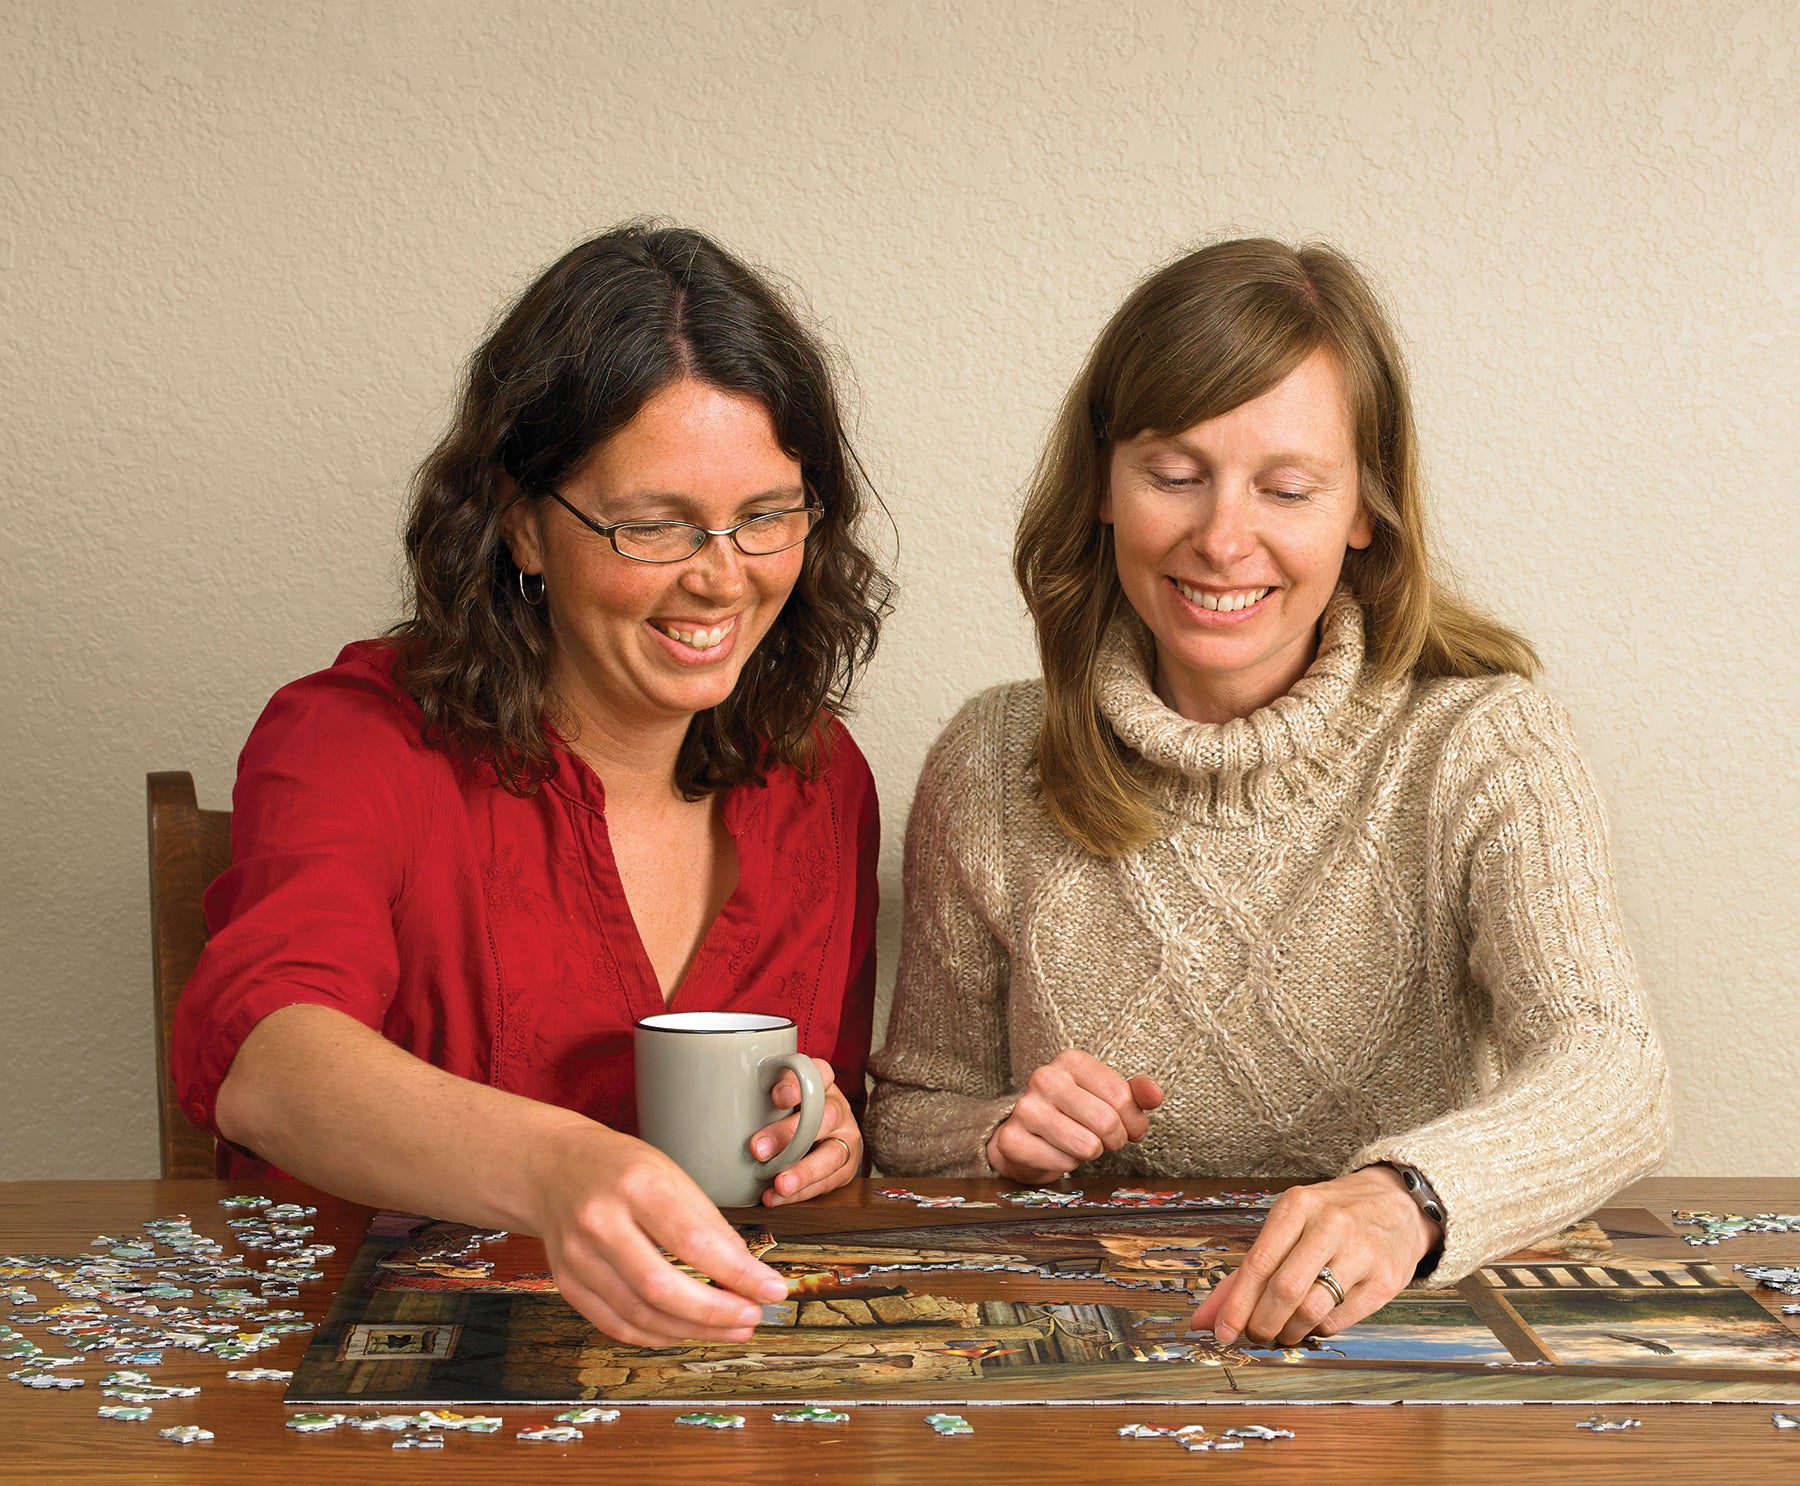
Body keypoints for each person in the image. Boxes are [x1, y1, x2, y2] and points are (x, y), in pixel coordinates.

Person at [867, 237, 1670, 1348]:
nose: (1222, 539)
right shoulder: (992, 759)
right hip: (1095, 1353)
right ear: (1103, 484)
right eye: (1174, 476)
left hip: (1392, 1345)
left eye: (1286, 488)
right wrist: (999, 1132)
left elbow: (1613, 1067)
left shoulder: (1484, 742)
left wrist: (1407, 1199)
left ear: (1364, 510)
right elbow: (910, 1112)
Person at [173, 224, 890, 1348]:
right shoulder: (350, 741)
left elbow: (820, 1115)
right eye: (652, 525)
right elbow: (269, 1063)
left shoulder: (822, 780)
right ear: (521, 522)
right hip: (378, 1386)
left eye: (765, 515)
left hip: (715, 1385)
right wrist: (559, 1169)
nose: (722, 577)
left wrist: (830, 1135)